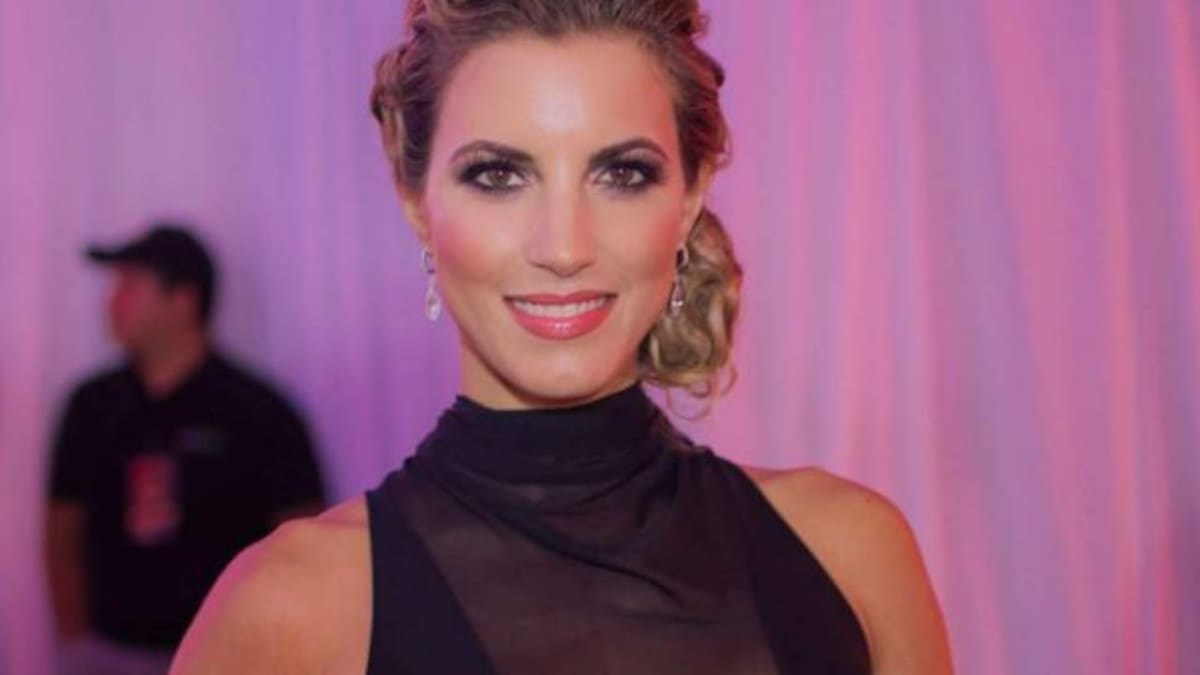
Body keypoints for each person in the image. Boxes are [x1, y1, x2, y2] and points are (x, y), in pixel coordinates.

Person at [172, 1, 953, 673]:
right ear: (416, 198)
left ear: (690, 195)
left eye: (622, 174)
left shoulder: (850, 553)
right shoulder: (297, 607)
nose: (564, 245)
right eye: (498, 175)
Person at [44, 223, 326, 675]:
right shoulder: (93, 406)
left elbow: (303, 540)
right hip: (111, 653)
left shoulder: (255, 410)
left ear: (182, 301)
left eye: (130, 286)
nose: (112, 302)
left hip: (231, 656)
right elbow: (62, 533)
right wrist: (76, 646)